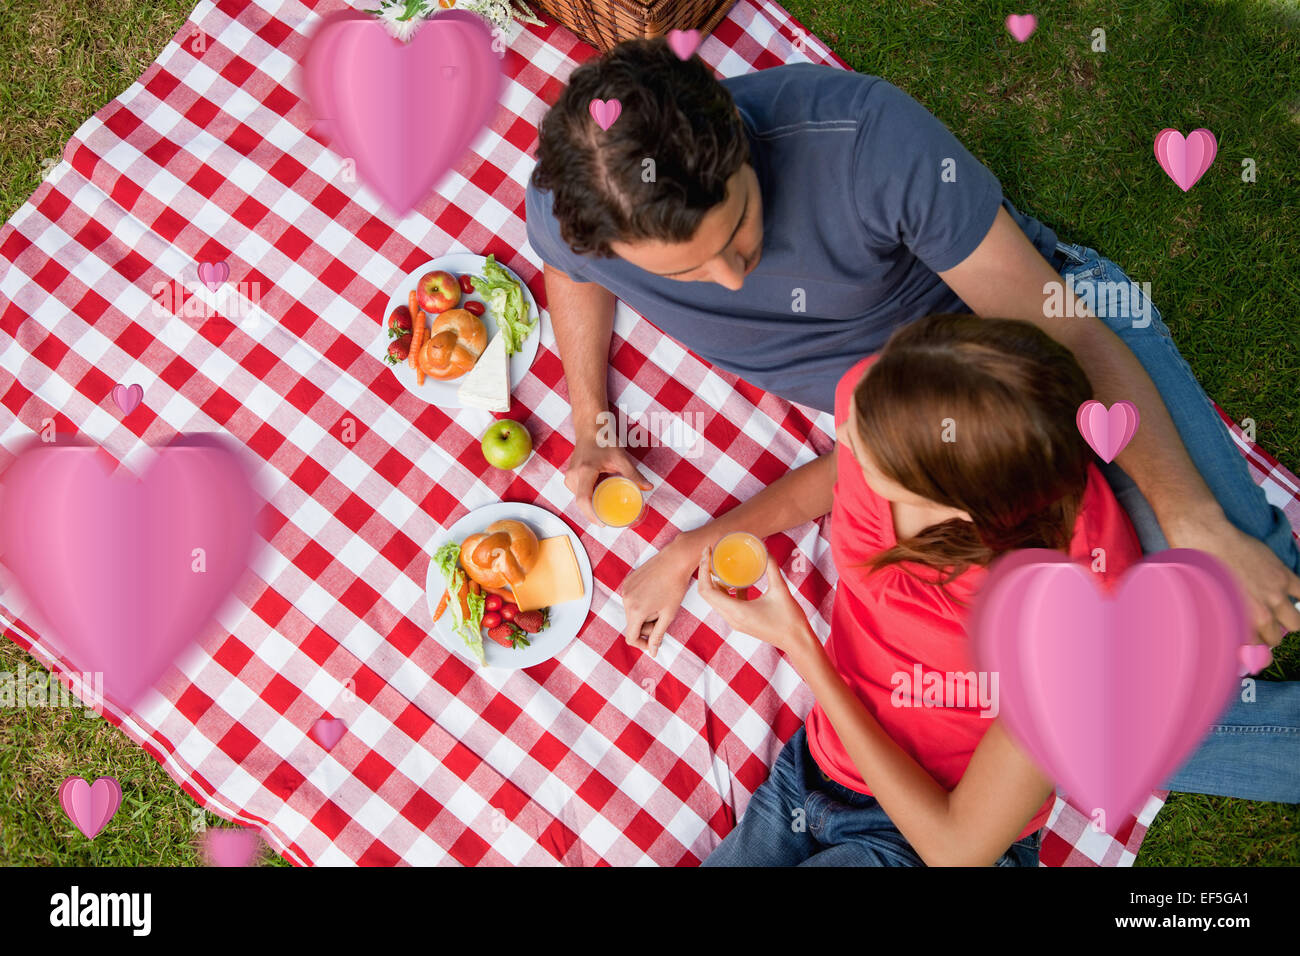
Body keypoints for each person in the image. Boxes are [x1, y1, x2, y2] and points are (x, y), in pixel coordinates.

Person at [524, 39, 1300, 663]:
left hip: (1029, 338)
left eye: (738, 230)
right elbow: (566, 267)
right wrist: (593, 418)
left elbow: (1065, 328)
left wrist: (1191, 515)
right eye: (689, 270)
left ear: (738, 137)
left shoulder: (871, 142)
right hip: (922, 432)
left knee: (1242, 572)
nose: (731, 279)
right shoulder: (580, 212)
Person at [695, 314, 1141, 865]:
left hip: (927, 834)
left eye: (870, 446)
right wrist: (697, 545)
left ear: (959, 508)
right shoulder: (884, 392)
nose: (845, 425)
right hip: (811, 770)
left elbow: (956, 849)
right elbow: (843, 472)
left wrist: (800, 645)